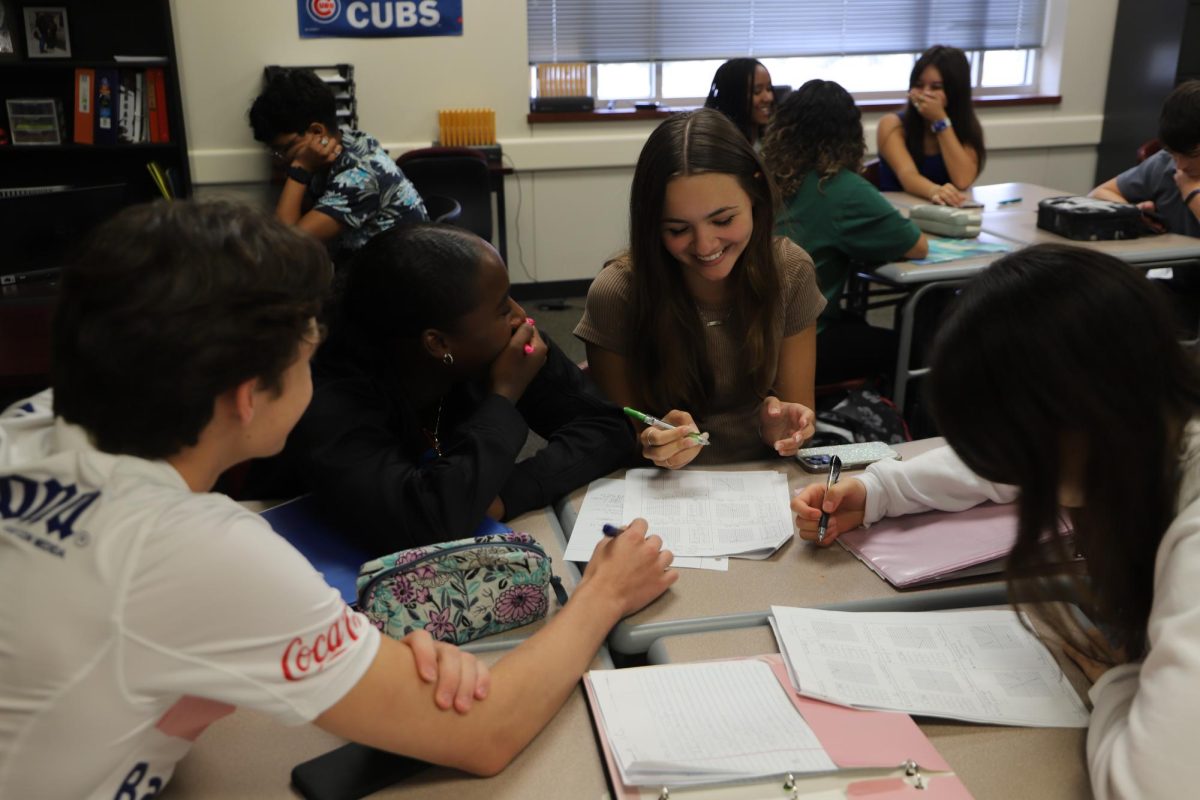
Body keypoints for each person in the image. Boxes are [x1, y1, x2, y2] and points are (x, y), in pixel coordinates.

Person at [0, 200, 676, 799]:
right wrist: (604, 594)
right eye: (305, 346)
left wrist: (366, 663)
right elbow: (485, 733)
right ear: (247, 397)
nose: (318, 352)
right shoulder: (201, 552)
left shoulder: (29, 423)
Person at [791, 243, 1200, 799]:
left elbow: (1151, 786)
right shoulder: (1150, 420)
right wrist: (878, 490)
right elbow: (995, 463)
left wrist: (1117, 683)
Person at [279, 223, 635, 554]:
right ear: (438, 343)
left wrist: (505, 495)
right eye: (501, 308)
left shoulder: (501, 344)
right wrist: (503, 396)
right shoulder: (329, 397)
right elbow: (430, 521)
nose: (520, 316)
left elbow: (608, 428)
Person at [575, 108, 824, 468]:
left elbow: (799, 422)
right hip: (660, 491)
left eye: (723, 220)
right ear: (651, 225)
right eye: (677, 230)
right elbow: (620, 438)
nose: (705, 246)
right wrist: (651, 442)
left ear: (755, 192)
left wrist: (784, 430)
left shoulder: (790, 271)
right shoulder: (618, 293)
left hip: (763, 480)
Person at [764, 79, 928, 387]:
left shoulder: (762, 174)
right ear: (850, 135)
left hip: (753, 340)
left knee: (856, 324)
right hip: (801, 338)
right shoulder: (842, 189)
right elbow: (916, 246)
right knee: (908, 350)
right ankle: (898, 426)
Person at [248, 68, 427, 263]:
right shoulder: (350, 142)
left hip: (394, 283)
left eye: (284, 149)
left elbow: (286, 249)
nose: (279, 159)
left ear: (317, 132)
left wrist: (299, 169)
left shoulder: (360, 176)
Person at [876, 45, 986, 206]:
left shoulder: (966, 127)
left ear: (954, 92)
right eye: (919, 85)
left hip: (945, 216)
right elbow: (907, 176)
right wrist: (935, 191)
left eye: (936, 87)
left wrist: (940, 121)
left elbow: (962, 180)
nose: (925, 93)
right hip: (898, 213)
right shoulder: (892, 124)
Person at [1089, 80, 1200, 238]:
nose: (1180, 166)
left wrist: (1191, 192)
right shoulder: (1164, 163)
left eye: (1192, 155)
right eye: (1174, 153)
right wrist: (1134, 214)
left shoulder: (1185, 179)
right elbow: (1098, 194)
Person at [704, 58, 775, 146]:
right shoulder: (721, 148)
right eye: (757, 91)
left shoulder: (773, 140)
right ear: (734, 97)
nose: (769, 98)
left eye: (769, 89)